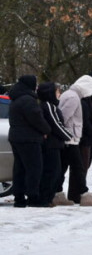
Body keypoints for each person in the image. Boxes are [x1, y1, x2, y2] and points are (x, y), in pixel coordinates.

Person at [55, 75, 92, 206]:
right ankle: (84, 194)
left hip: (69, 138)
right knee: (78, 168)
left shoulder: (69, 95)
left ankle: (57, 192)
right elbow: (63, 117)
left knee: (64, 167)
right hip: (71, 138)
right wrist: (67, 134)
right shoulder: (74, 97)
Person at [8, 75, 51, 207]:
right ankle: (33, 197)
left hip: (16, 137)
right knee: (34, 168)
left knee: (19, 168)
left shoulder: (16, 98)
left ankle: (19, 197)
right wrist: (47, 130)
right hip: (29, 138)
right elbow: (36, 118)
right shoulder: (28, 100)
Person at [38, 82, 73, 206]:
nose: (59, 94)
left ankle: (47, 197)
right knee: (52, 171)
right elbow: (56, 124)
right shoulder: (49, 106)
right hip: (51, 144)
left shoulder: (49, 105)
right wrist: (69, 136)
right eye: (57, 92)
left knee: (54, 171)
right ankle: (45, 198)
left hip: (53, 143)